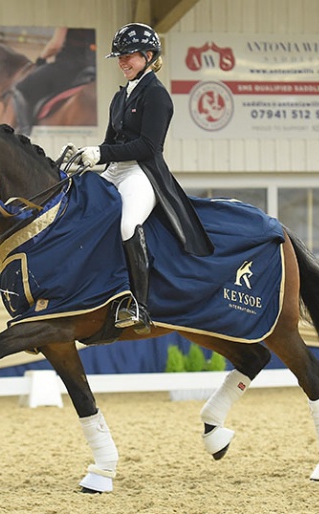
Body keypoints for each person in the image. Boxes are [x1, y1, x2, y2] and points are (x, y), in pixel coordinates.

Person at [69, 22, 214, 335]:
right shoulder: (119, 98)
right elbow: (110, 144)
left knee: (126, 224)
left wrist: (102, 154)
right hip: (116, 169)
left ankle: (140, 305)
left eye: (128, 56)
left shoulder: (158, 96)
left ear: (149, 56)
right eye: (119, 57)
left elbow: (149, 146)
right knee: (82, 212)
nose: (122, 62)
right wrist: (89, 156)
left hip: (143, 171)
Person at [13, 27, 96, 134]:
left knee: (20, 89)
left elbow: (55, 45)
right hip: (92, 69)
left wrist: (41, 59)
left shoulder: (66, 18)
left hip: (67, 67)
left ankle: (25, 132)